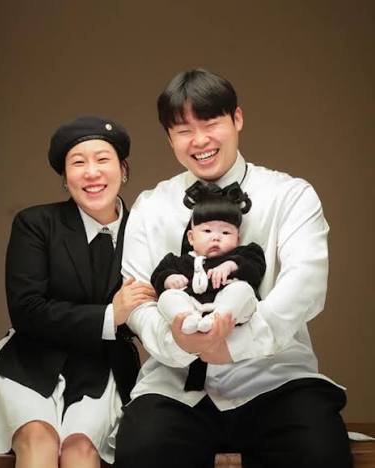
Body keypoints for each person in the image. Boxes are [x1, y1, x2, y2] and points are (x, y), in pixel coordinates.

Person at [115, 69, 352, 468]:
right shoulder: (150, 206)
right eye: (184, 130)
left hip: (277, 378)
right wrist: (179, 342)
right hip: (175, 383)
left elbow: (305, 286)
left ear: (237, 119)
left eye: (211, 123)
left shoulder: (291, 195)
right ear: (169, 138)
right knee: (142, 451)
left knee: (319, 453)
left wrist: (232, 346)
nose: (200, 140)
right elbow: (139, 300)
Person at [0, 115, 156, 468]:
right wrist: (110, 315)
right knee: (38, 437)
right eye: (78, 163)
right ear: (65, 177)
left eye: (102, 159)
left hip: (102, 365)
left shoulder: (146, 231)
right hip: (31, 359)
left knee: (80, 449)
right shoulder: (36, 224)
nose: (91, 173)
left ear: (123, 169)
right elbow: (27, 309)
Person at [151, 180, 266, 335]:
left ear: (237, 239)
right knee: (166, 298)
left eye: (225, 232)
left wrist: (232, 265)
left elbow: (256, 267)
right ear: (191, 238)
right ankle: (188, 318)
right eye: (207, 231)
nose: (216, 237)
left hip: (232, 313)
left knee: (242, 290)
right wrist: (169, 278)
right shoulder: (178, 262)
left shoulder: (243, 253)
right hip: (192, 306)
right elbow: (158, 275)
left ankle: (216, 319)